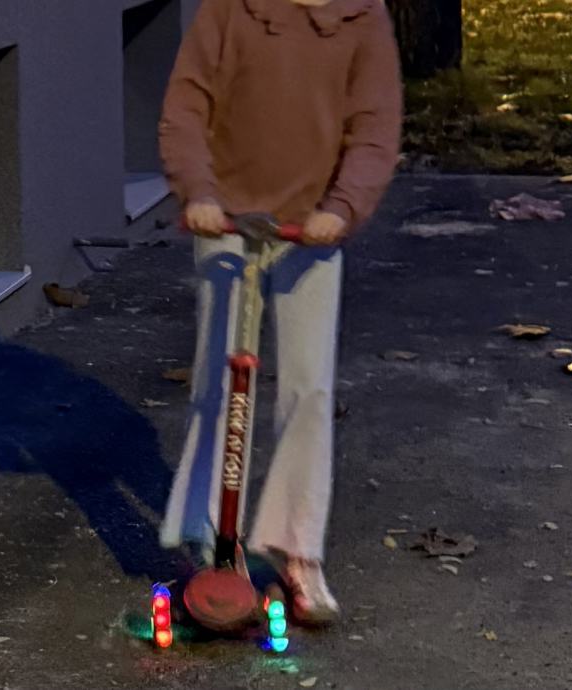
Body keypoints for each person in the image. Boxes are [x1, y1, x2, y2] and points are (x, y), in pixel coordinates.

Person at [158, 0, 402, 624]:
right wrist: (198, 191)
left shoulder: (361, 16)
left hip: (311, 227)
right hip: (227, 219)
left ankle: (297, 548)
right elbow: (187, 106)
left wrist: (343, 207)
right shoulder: (231, 9)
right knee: (217, 383)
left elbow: (375, 129)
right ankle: (213, 541)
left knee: (309, 387)